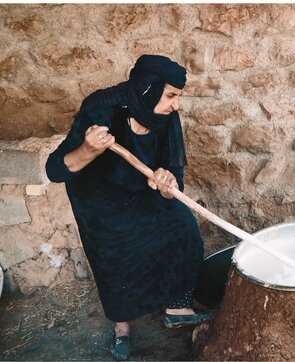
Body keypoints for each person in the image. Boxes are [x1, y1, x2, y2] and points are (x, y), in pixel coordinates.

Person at [46, 55, 209, 360]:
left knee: (182, 226)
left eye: (178, 97)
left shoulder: (165, 117)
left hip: (141, 191)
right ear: (149, 90)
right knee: (114, 255)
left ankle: (178, 306)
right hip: (99, 201)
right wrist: (87, 149)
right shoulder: (101, 108)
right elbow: (55, 169)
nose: (176, 105)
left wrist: (166, 179)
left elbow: (175, 177)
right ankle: (122, 326)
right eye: (171, 95)